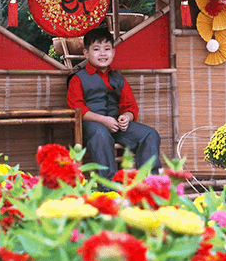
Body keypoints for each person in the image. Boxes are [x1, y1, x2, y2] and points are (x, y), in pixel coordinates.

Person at [67, 27, 161, 179]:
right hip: (90, 127)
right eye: (96, 49)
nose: (103, 53)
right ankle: (109, 185)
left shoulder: (119, 79)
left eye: (107, 49)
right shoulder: (77, 79)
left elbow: (130, 107)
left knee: (150, 134)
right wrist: (103, 120)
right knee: (101, 134)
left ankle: (149, 181)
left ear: (113, 52)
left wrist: (126, 118)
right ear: (86, 53)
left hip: (117, 125)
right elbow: (76, 109)